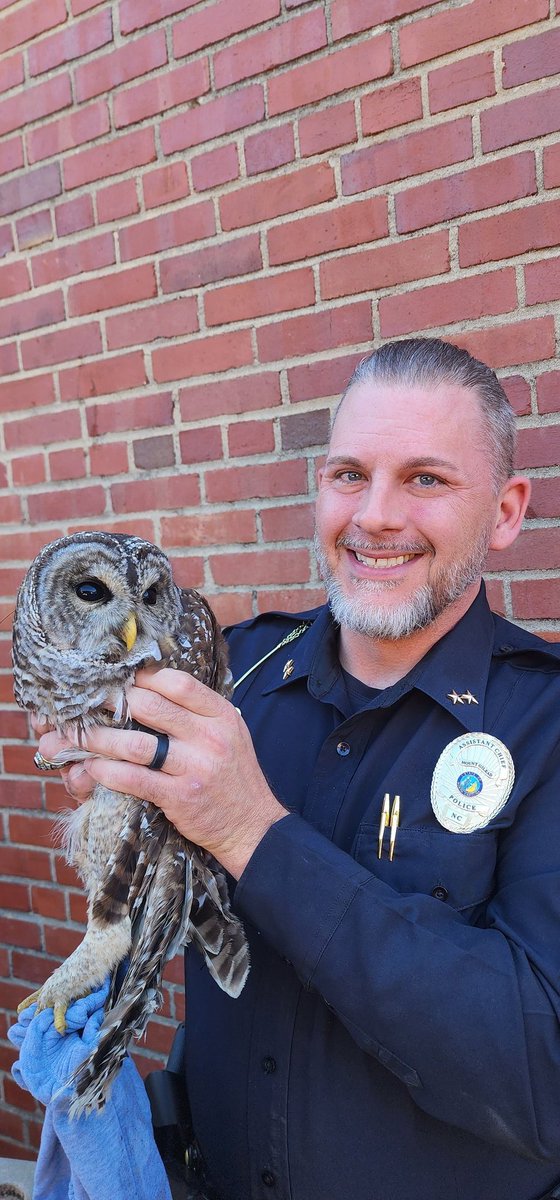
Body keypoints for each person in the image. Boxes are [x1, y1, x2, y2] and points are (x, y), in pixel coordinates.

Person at [17, 338, 560, 1200]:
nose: (375, 515)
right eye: (349, 474)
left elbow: (542, 1077)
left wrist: (249, 832)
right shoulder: (235, 675)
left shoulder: (546, 725)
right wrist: (114, 785)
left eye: (425, 479)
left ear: (505, 510)